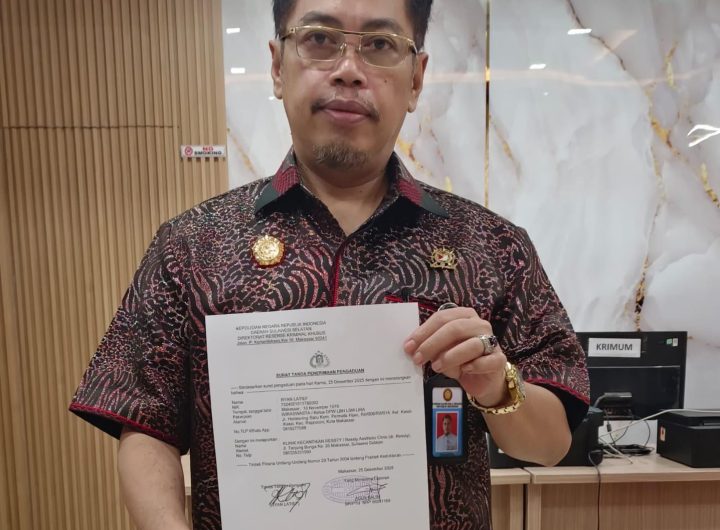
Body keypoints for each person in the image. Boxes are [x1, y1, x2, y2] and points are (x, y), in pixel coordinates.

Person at [69, 0, 590, 529]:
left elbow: (550, 446)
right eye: (319, 38)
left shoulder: (491, 244)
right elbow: (145, 424)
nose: (348, 69)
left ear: (415, 79)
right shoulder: (191, 245)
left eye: (380, 44)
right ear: (278, 65)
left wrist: (497, 384)